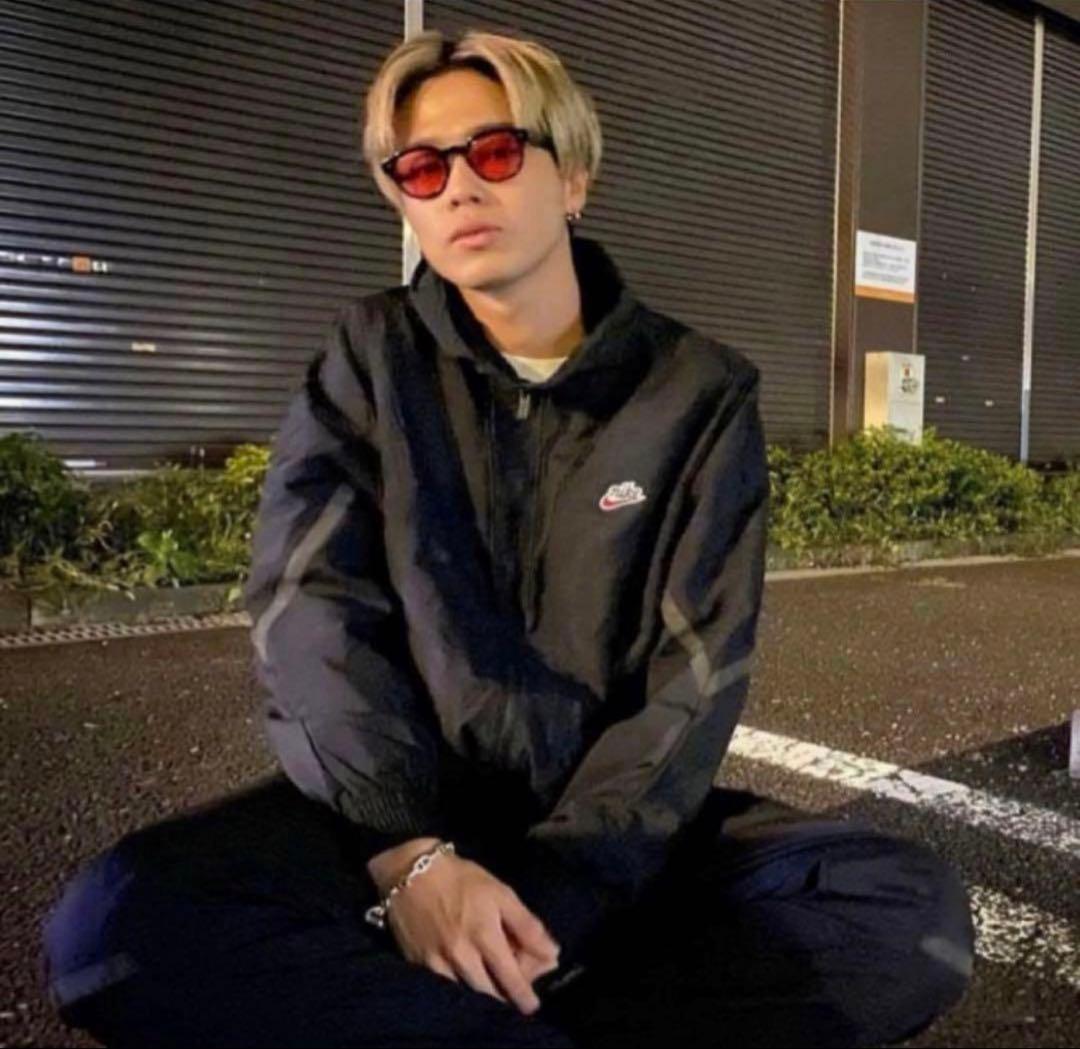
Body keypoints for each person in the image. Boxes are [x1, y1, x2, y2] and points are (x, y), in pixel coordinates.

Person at [40, 26, 976, 1049]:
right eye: (422, 168)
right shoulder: (369, 361)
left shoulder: (695, 392)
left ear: (572, 175)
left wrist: (559, 896)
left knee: (907, 914)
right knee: (115, 927)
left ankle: (471, 996)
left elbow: (693, 675)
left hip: (604, 836)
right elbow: (311, 612)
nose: (458, 188)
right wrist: (408, 855)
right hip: (401, 820)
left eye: (493, 152)